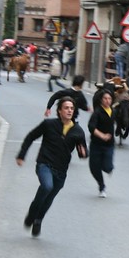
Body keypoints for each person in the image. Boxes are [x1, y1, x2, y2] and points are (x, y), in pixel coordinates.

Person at [16, 97, 88, 237]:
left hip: (61, 171)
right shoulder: (48, 124)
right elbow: (31, 136)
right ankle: (32, 214)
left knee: (49, 198)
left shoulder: (78, 131)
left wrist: (84, 153)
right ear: (59, 110)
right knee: (47, 187)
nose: (69, 110)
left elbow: (83, 152)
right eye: (66, 108)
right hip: (44, 164)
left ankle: (38, 220)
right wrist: (22, 154)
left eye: (71, 108)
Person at [88, 90, 115, 198]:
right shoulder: (97, 112)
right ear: (101, 100)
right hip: (96, 144)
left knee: (107, 167)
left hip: (109, 145)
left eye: (109, 99)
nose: (108, 101)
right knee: (94, 168)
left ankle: (109, 169)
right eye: (105, 98)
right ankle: (102, 186)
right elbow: (91, 127)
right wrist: (102, 135)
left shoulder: (113, 111)